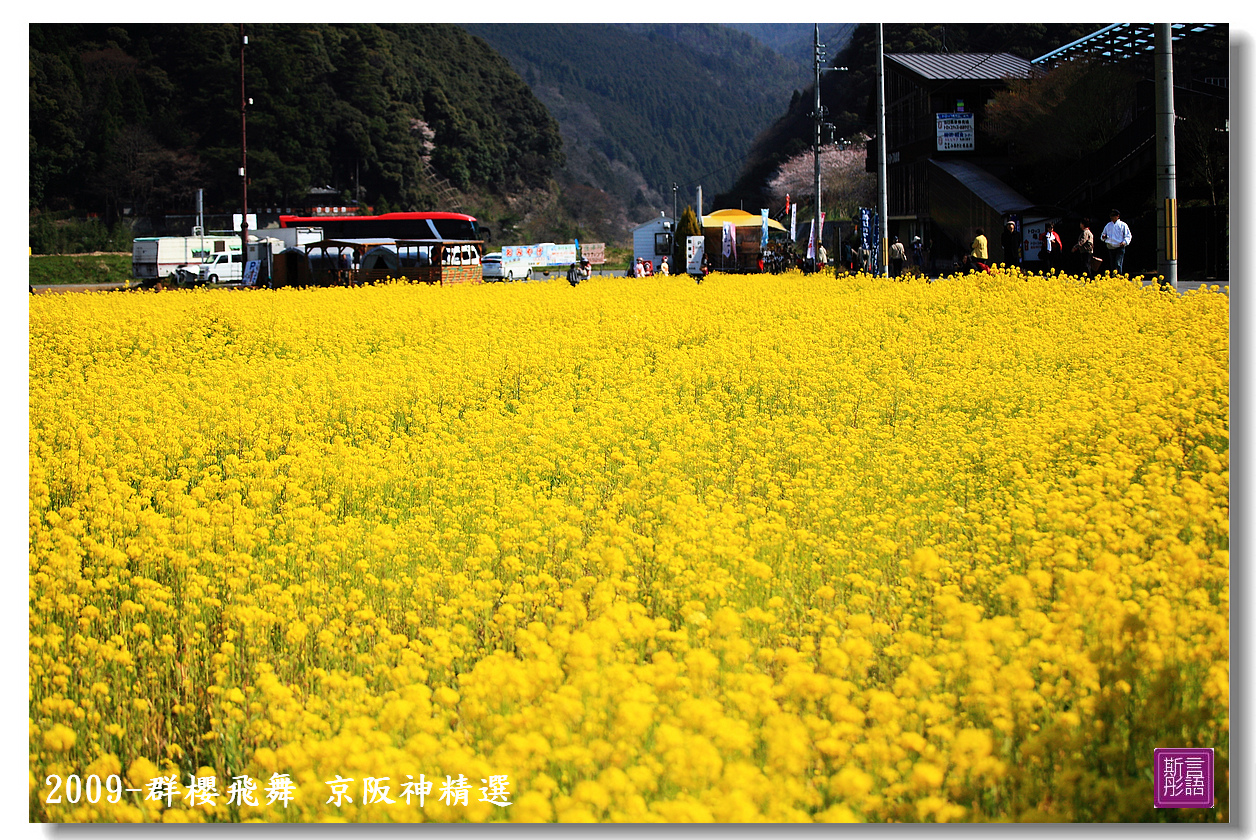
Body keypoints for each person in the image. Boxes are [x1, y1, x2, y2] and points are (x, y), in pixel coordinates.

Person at [1100, 209, 1132, 274]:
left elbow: (1128, 235)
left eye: (1113, 216)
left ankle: (1119, 277)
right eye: (1111, 216)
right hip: (1110, 246)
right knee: (1112, 264)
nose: (1112, 217)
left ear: (1118, 216)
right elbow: (1103, 234)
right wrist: (1103, 237)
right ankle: (1113, 277)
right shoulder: (1108, 225)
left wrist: (1125, 242)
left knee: (1118, 263)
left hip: (1119, 246)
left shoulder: (1123, 225)